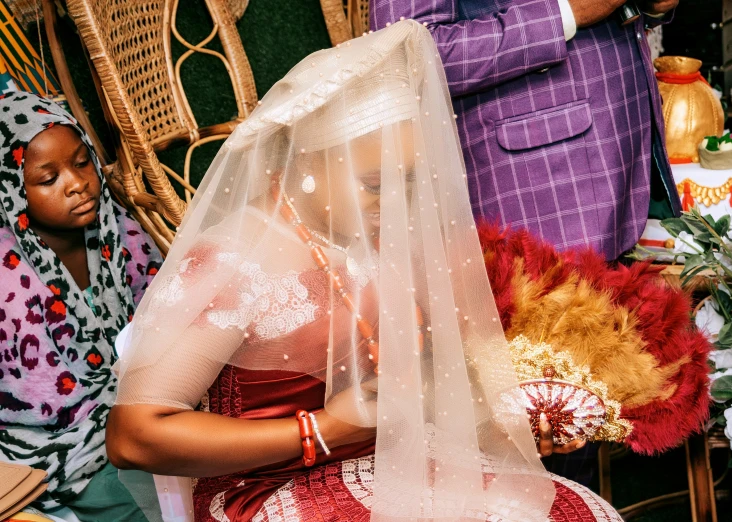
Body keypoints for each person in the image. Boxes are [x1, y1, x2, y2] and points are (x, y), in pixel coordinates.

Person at [106, 21, 621, 522]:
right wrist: (323, 429)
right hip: (267, 486)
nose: (397, 204)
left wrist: (506, 422)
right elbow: (134, 437)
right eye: (376, 185)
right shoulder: (233, 260)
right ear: (308, 160)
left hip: (400, 460)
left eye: (410, 181)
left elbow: (421, 387)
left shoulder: (388, 234)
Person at [369, 0, 680, 488]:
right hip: (533, 178)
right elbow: (409, 51)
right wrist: (569, 12)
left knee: (577, 411)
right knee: (529, 431)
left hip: (612, 157)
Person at [370, 0, 680, 263]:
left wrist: (649, 7)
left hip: (621, 157)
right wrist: (564, 14)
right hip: (537, 184)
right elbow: (409, 51)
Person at [0, 92, 161, 521]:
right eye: (48, 179)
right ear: (13, 192)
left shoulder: (119, 231)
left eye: (81, 162)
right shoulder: (6, 281)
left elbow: (162, 317)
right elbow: (34, 400)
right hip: (60, 443)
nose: (76, 183)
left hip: (142, 404)